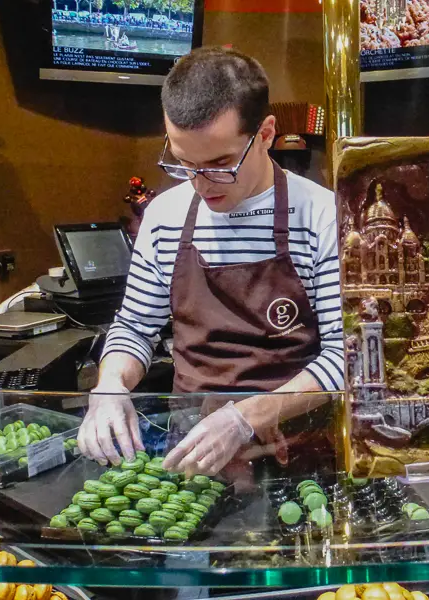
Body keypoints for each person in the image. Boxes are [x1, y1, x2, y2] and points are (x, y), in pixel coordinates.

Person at [77, 47, 344, 477]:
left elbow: (346, 357)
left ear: (265, 133)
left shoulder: (321, 215)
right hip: (194, 454)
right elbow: (134, 328)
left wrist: (244, 419)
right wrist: (110, 385)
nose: (202, 184)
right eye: (185, 164)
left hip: (300, 455)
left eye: (221, 164)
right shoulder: (164, 217)